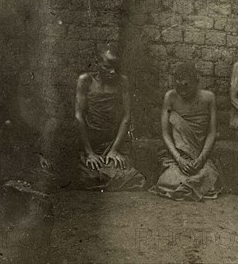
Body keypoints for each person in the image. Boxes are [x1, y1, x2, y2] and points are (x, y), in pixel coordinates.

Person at [74, 44, 146, 191]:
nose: (113, 72)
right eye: (107, 67)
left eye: (116, 67)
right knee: (86, 175)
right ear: (97, 64)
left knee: (129, 176)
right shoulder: (85, 80)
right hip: (91, 143)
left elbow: (126, 117)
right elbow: (79, 116)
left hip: (113, 142)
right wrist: (90, 153)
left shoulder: (122, 81)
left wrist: (114, 150)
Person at [149, 62, 221, 201]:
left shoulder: (209, 98)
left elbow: (212, 132)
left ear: (196, 82)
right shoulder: (170, 97)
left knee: (207, 177)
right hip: (177, 155)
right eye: (178, 86)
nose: (182, 91)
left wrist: (201, 160)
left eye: (186, 85)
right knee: (170, 180)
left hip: (199, 153)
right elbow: (165, 134)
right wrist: (179, 159)